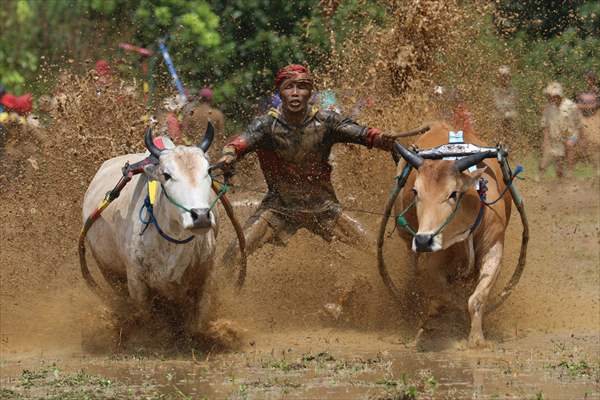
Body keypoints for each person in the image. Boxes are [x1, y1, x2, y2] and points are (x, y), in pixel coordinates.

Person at [217, 64, 404, 266]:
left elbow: (362, 133)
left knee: (376, 250)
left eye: (302, 87)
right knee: (233, 256)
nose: (295, 93)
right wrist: (228, 156)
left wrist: (383, 139)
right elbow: (238, 144)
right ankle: (216, 296)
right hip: (279, 208)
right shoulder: (265, 125)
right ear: (280, 91)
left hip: (324, 207)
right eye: (289, 87)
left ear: (310, 92)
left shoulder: (326, 121)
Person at [537, 82, 583, 180]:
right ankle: (560, 181)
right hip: (557, 138)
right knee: (558, 168)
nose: (550, 98)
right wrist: (546, 142)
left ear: (559, 95)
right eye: (549, 96)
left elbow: (579, 123)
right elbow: (545, 126)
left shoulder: (571, 106)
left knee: (569, 144)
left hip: (571, 135)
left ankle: (570, 172)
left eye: (552, 96)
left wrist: (579, 138)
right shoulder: (548, 108)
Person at [492, 66, 518, 137]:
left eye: (506, 76)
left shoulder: (513, 91)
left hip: (510, 123)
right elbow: (493, 107)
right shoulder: (494, 91)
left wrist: (508, 115)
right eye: (502, 76)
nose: (504, 79)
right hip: (497, 124)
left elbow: (514, 107)